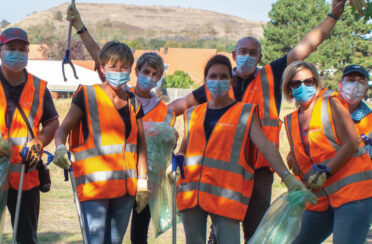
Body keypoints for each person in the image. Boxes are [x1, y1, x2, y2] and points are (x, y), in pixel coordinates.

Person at [168, 1, 346, 242]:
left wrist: (332, 16)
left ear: (260, 56)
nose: (247, 56)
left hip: (260, 169)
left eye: (253, 53)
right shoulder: (218, 82)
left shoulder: (271, 75)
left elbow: (307, 46)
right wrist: (152, 124)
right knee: (219, 230)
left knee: (255, 231)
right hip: (222, 174)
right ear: (234, 55)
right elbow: (175, 109)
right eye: (243, 52)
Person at [175, 55, 316, 244]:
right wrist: (176, 161)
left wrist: (287, 177)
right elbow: (185, 148)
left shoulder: (244, 112)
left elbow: (266, 147)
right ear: (205, 80)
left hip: (226, 196)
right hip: (191, 195)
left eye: (223, 76)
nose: (218, 81)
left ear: (231, 80)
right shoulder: (193, 114)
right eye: (213, 76)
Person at [53, 41, 150, 244]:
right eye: (112, 66)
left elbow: (141, 145)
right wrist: (60, 148)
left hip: (125, 189)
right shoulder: (87, 96)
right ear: (103, 67)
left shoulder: (134, 102)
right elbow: (62, 130)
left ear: (131, 69)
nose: (118, 71)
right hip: (95, 187)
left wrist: (143, 181)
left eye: (124, 67)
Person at [282, 61, 372, 244]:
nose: (303, 87)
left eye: (309, 82)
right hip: (320, 199)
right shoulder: (290, 121)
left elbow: (352, 143)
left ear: (317, 84)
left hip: (354, 195)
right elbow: (302, 162)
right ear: (289, 89)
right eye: (296, 83)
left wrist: (326, 171)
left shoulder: (331, 102)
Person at [0, 27, 59, 243]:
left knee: (26, 237)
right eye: (10, 48)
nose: (16, 53)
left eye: (21, 49)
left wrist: (39, 142)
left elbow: (53, 123)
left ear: (27, 52)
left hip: (26, 175)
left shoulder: (39, 87)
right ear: (0, 51)